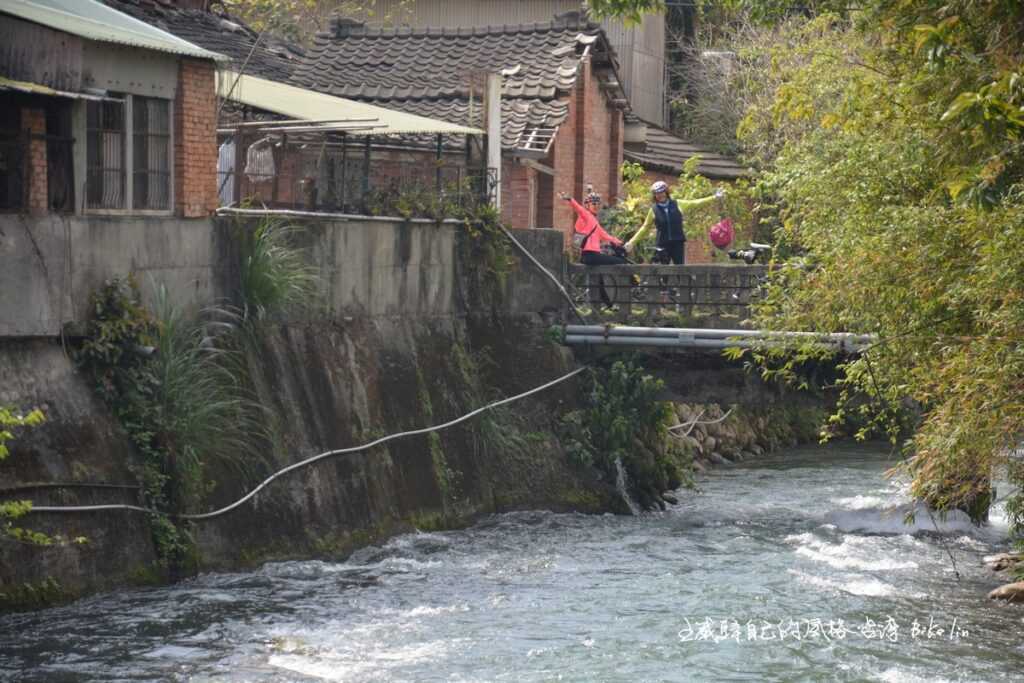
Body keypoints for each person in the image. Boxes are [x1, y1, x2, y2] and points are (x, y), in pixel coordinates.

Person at [624, 181, 725, 264]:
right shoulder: (653, 210)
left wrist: (714, 197)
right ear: (654, 195)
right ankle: (664, 289)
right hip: (662, 244)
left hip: (677, 242)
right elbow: (644, 228)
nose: (660, 195)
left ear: (666, 192)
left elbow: (695, 203)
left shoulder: (678, 204)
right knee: (662, 270)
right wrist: (632, 242)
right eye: (657, 193)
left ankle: (681, 288)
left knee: (679, 269)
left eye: (662, 192)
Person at [561, 187, 626, 308]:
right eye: (593, 203)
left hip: (593, 255)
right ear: (587, 205)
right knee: (620, 261)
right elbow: (579, 209)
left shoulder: (594, 220)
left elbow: (603, 234)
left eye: (597, 203)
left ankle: (609, 305)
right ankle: (632, 282)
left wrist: (617, 241)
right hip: (589, 255)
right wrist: (570, 199)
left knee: (599, 281)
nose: (596, 206)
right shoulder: (586, 216)